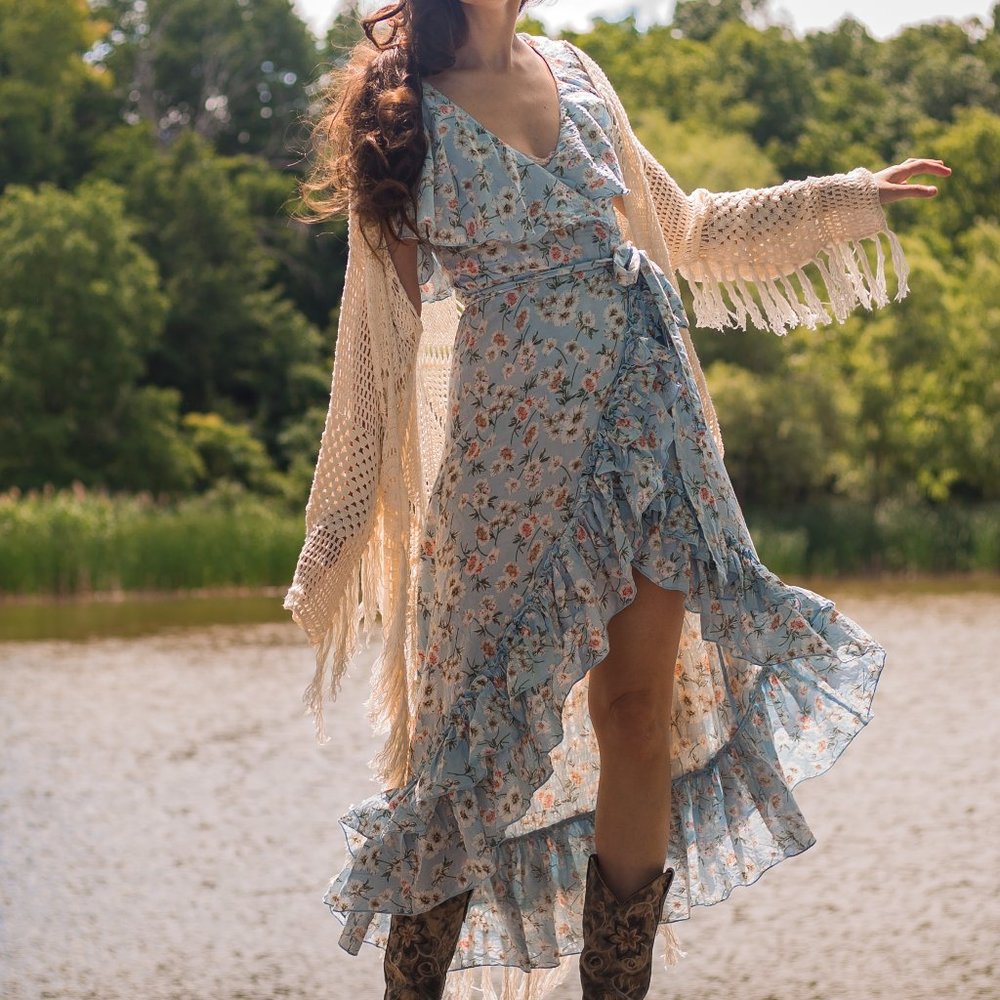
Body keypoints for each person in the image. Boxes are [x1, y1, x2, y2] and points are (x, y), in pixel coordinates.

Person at [282, 2, 951, 998]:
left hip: (650, 440)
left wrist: (842, 199)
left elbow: (685, 228)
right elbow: (371, 342)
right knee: (463, 759)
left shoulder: (579, 70)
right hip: (507, 475)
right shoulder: (399, 111)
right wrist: (336, 523)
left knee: (637, 716)